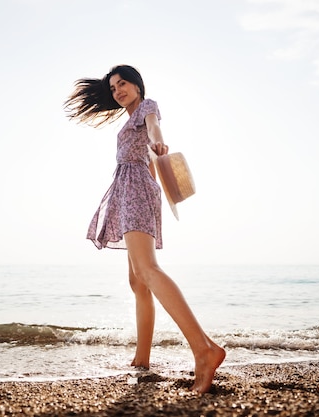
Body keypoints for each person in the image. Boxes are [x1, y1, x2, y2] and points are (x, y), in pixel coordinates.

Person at [65, 65, 225, 393]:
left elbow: (155, 132)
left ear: (137, 85)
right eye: (112, 88)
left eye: (123, 83)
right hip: (131, 190)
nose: (118, 90)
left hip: (136, 190)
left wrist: (159, 145)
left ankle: (204, 351)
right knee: (137, 281)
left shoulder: (148, 108)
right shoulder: (128, 120)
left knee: (148, 270)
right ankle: (142, 358)